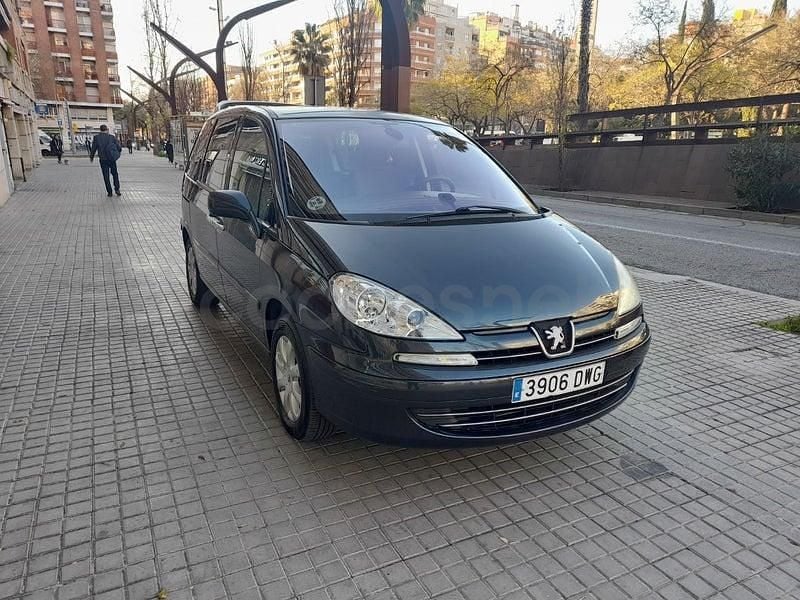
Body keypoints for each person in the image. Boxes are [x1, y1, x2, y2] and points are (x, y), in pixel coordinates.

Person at [90, 125, 122, 198]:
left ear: (100, 130)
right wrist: (117, 153)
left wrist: (91, 157)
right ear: (107, 129)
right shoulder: (111, 137)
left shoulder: (96, 138)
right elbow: (118, 147)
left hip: (103, 159)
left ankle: (109, 192)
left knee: (106, 176)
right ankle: (117, 189)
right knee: (115, 174)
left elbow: (93, 148)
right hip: (112, 158)